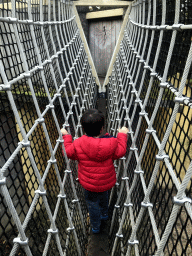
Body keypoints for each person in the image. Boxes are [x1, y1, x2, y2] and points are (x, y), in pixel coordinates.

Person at [61, 109, 128, 234]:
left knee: (92, 204)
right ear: (102, 129)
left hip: (89, 184)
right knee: (104, 198)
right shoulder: (112, 143)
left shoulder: (79, 143)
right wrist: (122, 134)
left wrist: (66, 136)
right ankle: (104, 215)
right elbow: (121, 151)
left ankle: (95, 227)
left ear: (84, 129)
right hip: (105, 183)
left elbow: (68, 153)